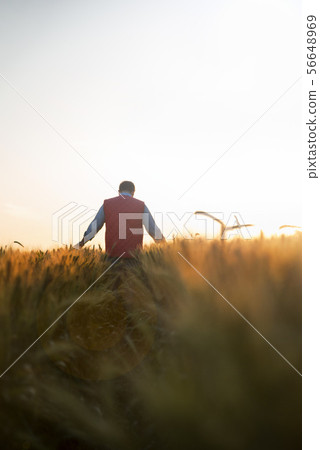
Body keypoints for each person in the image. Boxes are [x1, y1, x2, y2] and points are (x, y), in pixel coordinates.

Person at [77, 181, 165, 259]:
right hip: (134, 256)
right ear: (133, 192)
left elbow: (95, 226)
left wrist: (82, 242)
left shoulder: (107, 204)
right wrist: (165, 245)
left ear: (119, 191)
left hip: (112, 255)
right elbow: (152, 228)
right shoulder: (141, 205)